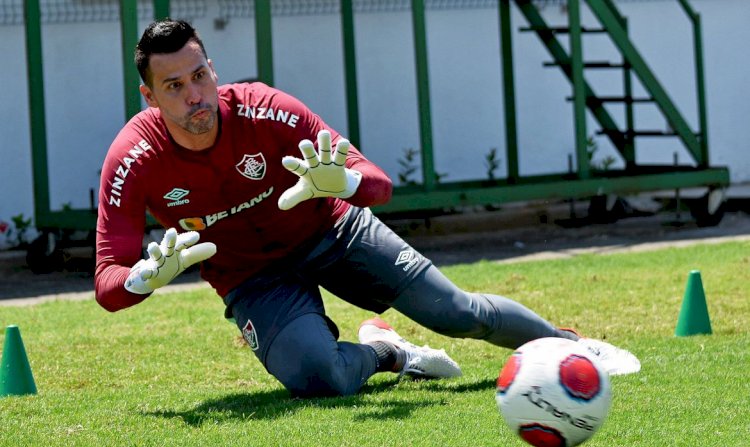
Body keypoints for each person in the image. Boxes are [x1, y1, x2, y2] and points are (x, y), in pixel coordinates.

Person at [95, 19, 640, 398]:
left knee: (458, 313)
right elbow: (107, 283)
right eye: (174, 86)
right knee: (319, 378)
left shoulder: (267, 110)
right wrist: (142, 279)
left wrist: (346, 180)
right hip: (251, 278)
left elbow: (380, 185)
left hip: (333, 230)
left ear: (212, 68)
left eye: (200, 76)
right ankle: (388, 354)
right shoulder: (131, 159)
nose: (196, 96)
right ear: (150, 97)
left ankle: (570, 346)